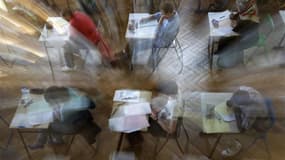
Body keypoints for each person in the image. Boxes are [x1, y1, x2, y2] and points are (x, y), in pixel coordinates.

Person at [28, 86, 101, 149]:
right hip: (85, 118)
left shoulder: (67, 108)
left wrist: (55, 113)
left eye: (53, 102)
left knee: (47, 125)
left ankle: (44, 142)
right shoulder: (69, 91)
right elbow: (92, 105)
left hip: (75, 126)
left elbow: (61, 119)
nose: (52, 104)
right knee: (49, 121)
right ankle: (53, 140)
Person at [129, 2, 179, 68]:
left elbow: (158, 34)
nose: (162, 14)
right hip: (159, 34)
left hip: (163, 41)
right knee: (142, 33)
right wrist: (148, 18)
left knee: (139, 42)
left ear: (169, 13)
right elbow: (159, 15)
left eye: (163, 13)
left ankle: (134, 61)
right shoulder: (173, 12)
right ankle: (134, 52)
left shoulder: (171, 25)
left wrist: (160, 21)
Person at [216, 0, 259, 68]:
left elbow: (245, 21)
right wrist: (234, 17)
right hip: (245, 32)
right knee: (226, 36)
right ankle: (225, 58)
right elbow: (240, 14)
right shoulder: (245, 4)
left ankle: (229, 61)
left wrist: (234, 24)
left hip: (251, 38)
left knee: (228, 38)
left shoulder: (250, 6)